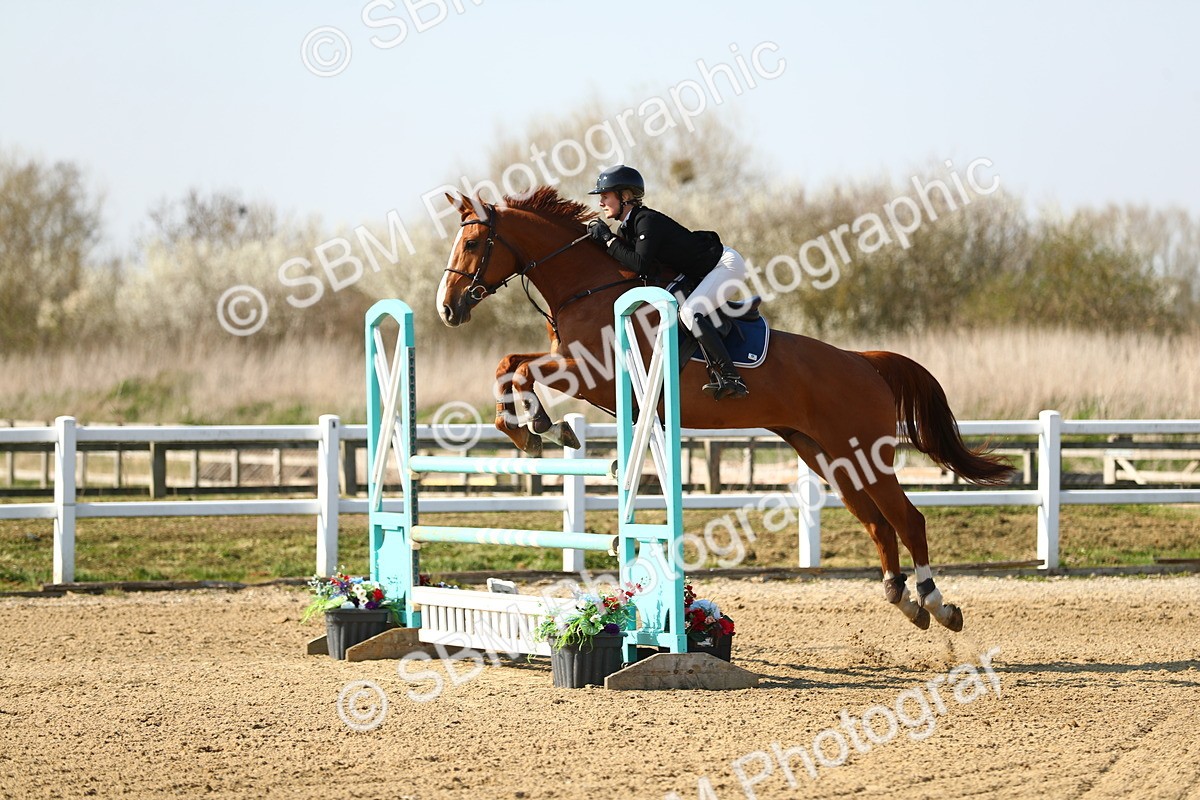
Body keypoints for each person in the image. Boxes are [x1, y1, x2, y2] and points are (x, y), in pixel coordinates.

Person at [585, 164, 750, 400]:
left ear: (625, 196)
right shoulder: (629, 226)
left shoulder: (646, 221)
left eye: (605, 196)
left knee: (690, 313)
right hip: (700, 271)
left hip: (724, 266)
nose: (601, 202)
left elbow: (639, 264)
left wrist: (609, 241)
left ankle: (731, 376)